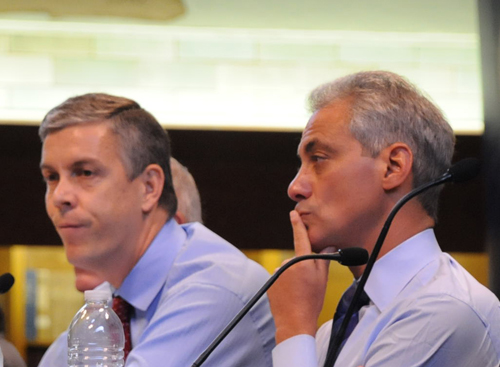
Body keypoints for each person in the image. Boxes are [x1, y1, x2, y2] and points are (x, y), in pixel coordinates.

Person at [267, 70, 500, 367]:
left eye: (319, 159)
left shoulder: (446, 309)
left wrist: (292, 328)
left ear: (393, 167)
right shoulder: (331, 332)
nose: (295, 187)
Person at [37, 93, 275, 367]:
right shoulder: (109, 304)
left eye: (85, 172)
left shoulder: (214, 286)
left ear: (149, 188)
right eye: (51, 177)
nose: (59, 196)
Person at [73, 157, 204, 292]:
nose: (79, 239)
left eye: (101, 221)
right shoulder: (114, 305)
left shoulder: (206, 294)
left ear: (170, 226)